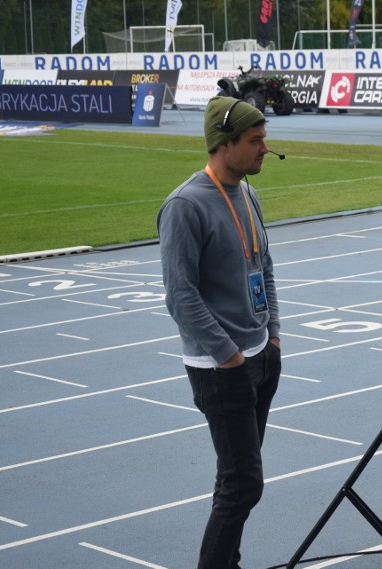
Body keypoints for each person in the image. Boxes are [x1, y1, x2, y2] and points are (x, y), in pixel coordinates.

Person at [157, 96, 281, 569]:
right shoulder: (185, 205)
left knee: (235, 481)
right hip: (221, 369)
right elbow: (180, 297)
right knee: (244, 484)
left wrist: (273, 336)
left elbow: (263, 264)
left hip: (261, 357)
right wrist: (229, 356)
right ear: (223, 144)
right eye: (255, 141)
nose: (264, 149)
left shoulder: (248, 193)